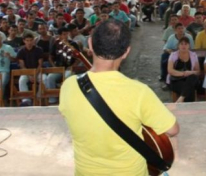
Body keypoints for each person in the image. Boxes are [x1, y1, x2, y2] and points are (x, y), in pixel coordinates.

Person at [59, 19, 179, 175]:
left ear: (90, 44)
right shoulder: (139, 92)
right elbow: (173, 130)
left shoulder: (68, 86)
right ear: (126, 52)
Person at [167, 37, 200, 103]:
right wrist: (183, 73)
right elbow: (170, 70)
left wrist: (190, 72)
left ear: (189, 46)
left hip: (189, 79)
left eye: (186, 44)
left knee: (193, 77)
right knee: (189, 89)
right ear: (178, 46)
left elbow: (198, 72)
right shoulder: (173, 55)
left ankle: (181, 98)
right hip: (176, 80)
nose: (183, 46)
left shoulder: (193, 55)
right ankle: (189, 108)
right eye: (181, 44)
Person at [17, 33, 44, 106]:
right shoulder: (21, 51)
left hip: (37, 71)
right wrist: (29, 75)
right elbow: (22, 65)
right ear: (24, 41)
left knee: (44, 79)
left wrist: (35, 74)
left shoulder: (39, 50)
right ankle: (26, 100)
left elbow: (40, 64)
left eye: (31, 40)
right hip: (26, 72)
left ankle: (38, 98)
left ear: (33, 41)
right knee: (21, 80)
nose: (29, 42)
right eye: (27, 40)